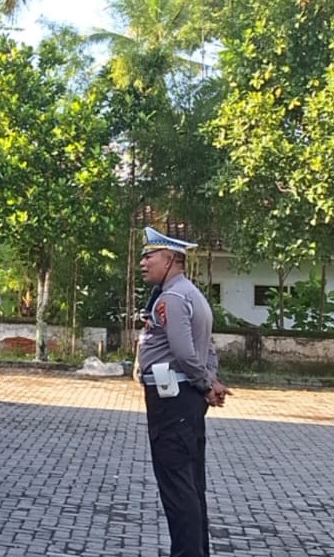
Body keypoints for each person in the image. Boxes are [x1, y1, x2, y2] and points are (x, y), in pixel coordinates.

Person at [136, 227, 231, 557]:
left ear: (171, 259)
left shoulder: (173, 299)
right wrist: (211, 381)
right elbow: (209, 349)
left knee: (177, 487)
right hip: (184, 400)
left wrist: (206, 384)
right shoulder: (192, 295)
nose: (143, 263)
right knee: (191, 485)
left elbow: (185, 352)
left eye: (150, 256)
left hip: (171, 401)